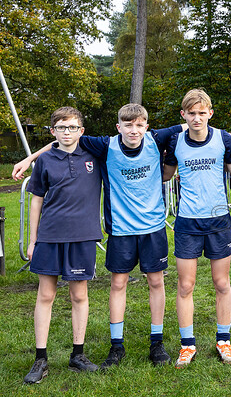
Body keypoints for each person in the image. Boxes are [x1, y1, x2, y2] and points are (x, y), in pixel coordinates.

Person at [13, 104, 185, 367]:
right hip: (120, 230)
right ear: (118, 127)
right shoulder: (105, 146)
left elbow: (194, 122)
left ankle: (157, 343)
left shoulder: (155, 139)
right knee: (117, 285)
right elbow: (62, 139)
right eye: (128, 125)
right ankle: (116, 346)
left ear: (147, 127)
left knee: (156, 283)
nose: (134, 130)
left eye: (139, 125)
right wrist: (29, 159)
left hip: (153, 228)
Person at [162, 89, 231, 367]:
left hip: (218, 222)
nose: (197, 118)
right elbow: (164, 175)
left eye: (202, 113)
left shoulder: (223, 139)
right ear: (183, 115)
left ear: (210, 113)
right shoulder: (175, 141)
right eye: (192, 113)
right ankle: (187, 345)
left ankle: (223, 340)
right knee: (185, 285)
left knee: (221, 283)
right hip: (187, 223)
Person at [21, 107, 102, 384]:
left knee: (79, 296)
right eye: (61, 128)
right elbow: (36, 200)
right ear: (53, 132)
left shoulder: (94, 156)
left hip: (83, 237)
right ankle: (40, 359)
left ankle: (77, 355)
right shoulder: (45, 160)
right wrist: (33, 240)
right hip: (50, 236)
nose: (67, 132)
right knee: (46, 296)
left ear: (81, 130)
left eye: (72, 127)